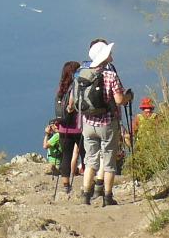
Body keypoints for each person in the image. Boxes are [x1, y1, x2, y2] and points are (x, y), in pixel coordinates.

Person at [74, 38, 127, 207]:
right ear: (104, 56)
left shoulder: (83, 73)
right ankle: (107, 196)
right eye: (109, 52)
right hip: (107, 123)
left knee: (90, 160)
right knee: (109, 160)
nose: (111, 55)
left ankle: (86, 195)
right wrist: (128, 97)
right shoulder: (110, 75)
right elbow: (119, 99)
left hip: (88, 123)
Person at [52, 59, 85, 194]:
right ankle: (88, 183)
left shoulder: (60, 89)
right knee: (85, 155)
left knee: (66, 155)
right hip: (78, 127)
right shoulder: (78, 86)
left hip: (63, 127)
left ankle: (66, 184)